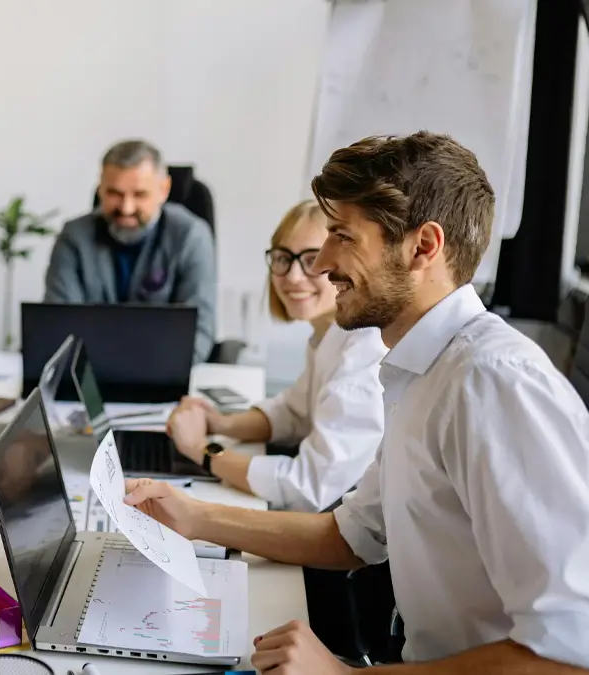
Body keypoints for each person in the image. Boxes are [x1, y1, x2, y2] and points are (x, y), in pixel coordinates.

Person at [124, 132, 589, 673]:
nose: (321, 263)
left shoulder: (491, 383)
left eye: (342, 236)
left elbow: (568, 652)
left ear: (423, 246)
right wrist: (194, 518)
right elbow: (352, 535)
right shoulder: (417, 369)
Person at [166, 199, 386, 513]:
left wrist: (202, 450)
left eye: (312, 259)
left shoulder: (364, 354)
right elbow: (294, 413)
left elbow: (306, 486)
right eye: (283, 258)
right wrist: (221, 423)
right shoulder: (330, 333)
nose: (293, 277)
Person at [44, 139, 217, 363]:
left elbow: (198, 334)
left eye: (139, 195)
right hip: (87, 378)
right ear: (101, 189)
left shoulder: (192, 236)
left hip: (164, 376)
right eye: (114, 193)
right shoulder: (73, 237)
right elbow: (59, 327)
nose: (126, 208)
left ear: (163, 190)